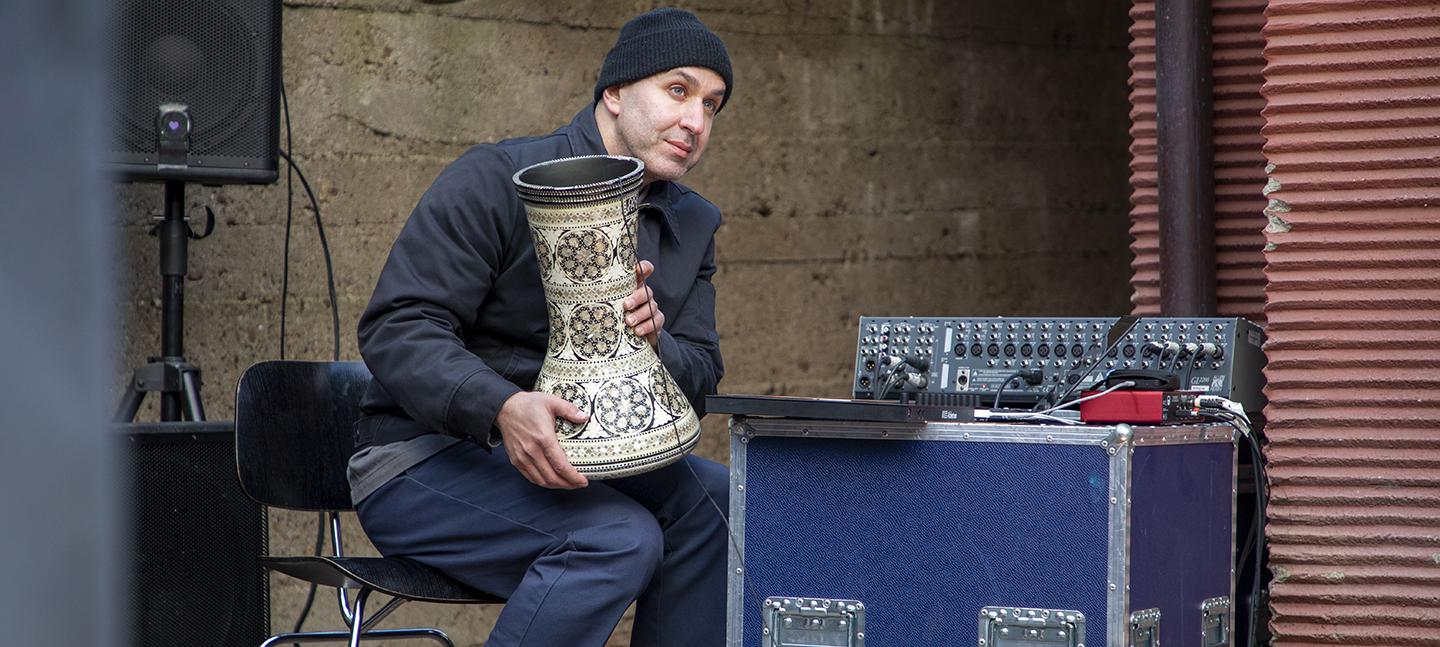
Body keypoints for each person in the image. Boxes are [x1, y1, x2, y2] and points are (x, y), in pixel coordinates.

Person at [347, 7, 733, 646]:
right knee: (618, 540)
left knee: (719, 503)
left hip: (586, 458)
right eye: (677, 90)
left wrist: (657, 345)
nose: (695, 121)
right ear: (614, 92)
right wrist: (501, 406)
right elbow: (400, 326)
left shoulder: (692, 225)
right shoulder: (496, 178)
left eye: (712, 106)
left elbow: (702, 371)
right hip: (424, 457)